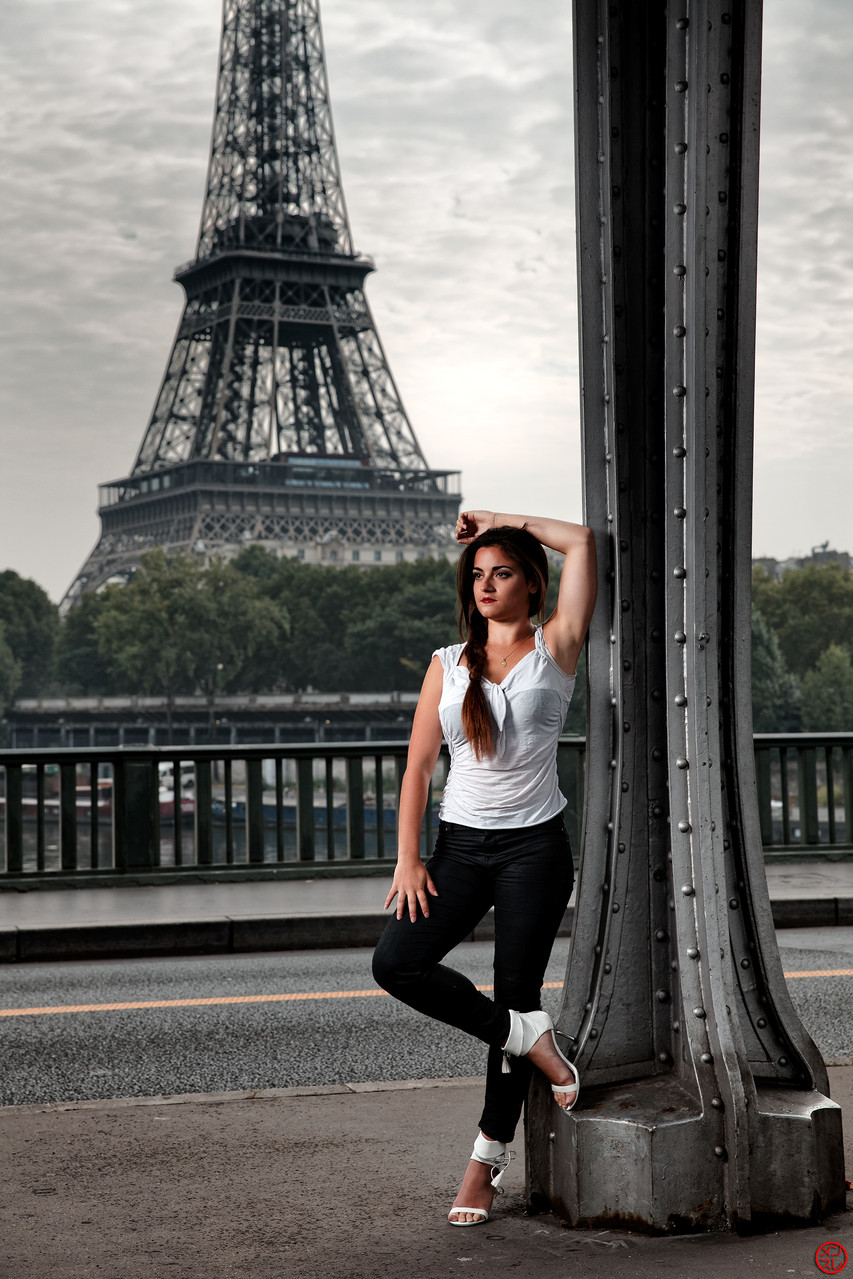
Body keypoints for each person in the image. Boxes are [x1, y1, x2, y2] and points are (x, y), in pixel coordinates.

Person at [372, 508, 596, 1227]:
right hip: (457, 850)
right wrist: (408, 859)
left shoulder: (556, 646)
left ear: (532, 583)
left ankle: (484, 1162)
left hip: (534, 848)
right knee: (396, 962)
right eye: (476, 573)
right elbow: (416, 766)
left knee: (516, 989)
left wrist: (495, 522)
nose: (486, 584)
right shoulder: (448, 662)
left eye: (501, 572)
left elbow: (583, 542)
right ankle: (529, 1037)